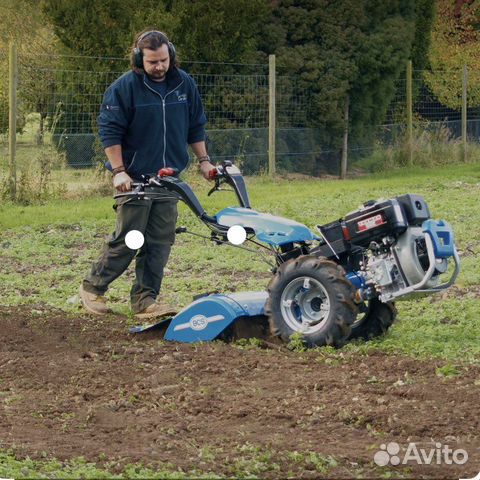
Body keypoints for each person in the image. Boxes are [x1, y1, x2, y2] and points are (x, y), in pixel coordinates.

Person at [79, 30, 215, 319]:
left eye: (164, 60)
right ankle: (93, 288)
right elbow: (110, 131)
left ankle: (145, 300)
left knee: (160, 242)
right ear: (140, 59)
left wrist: (204, 161)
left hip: (169, 180)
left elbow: (196, 126)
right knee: (130, 237)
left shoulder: (183, 83)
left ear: (171, 55)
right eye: (152, 62)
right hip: (135, 178)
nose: (159, 67)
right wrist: (118, 171)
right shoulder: (125, 88)